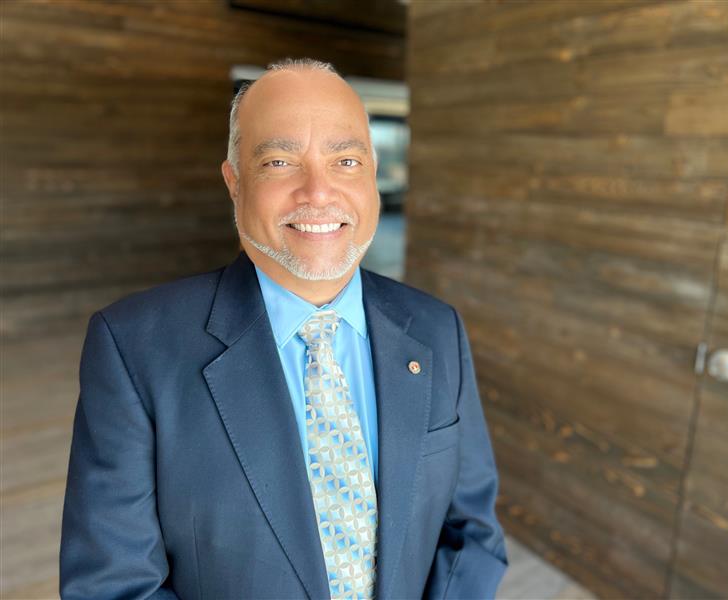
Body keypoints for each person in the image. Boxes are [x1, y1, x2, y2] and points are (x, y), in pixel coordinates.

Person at [60, 58, 507, 600]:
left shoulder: (437, 329)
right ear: (234, 182)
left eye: (345, 160)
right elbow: (114, 586)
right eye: (278, 161)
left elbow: (472, 535)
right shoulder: (133, 348)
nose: (318, 192)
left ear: (371, 175)